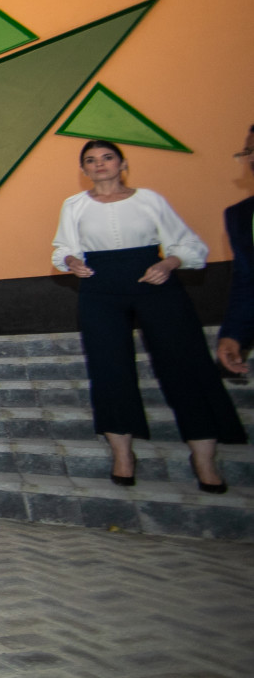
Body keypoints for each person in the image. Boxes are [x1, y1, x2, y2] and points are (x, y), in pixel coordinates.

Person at [52, 140, 247, 492]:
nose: (100, 164)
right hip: (99, 287)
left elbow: (186, 244)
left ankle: (204, 458)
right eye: (91, 160)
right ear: (83, 170)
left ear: (123, 163)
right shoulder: (74, 205)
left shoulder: (149, 200)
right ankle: (123, 455)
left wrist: (169, 263)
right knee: (109, 369)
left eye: (107, 157)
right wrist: (71, 261)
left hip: (154, 280)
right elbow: (63, 247)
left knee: (185, 364)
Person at [217, 124, 254, 377]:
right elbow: (246, 283)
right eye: (247, 151)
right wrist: (233, 335)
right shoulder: (239, 216)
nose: (250, 158)